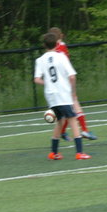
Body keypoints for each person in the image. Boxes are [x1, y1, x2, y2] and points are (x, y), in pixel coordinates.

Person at [34, 32, 92, 160]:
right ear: (57, 44)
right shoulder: (61, 57)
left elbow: (37, 79)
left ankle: (53, 152)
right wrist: (73, 92)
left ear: (44, 45)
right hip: (63, 93)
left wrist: (48, 83)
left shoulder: (40, 60)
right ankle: (79, 152)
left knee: (60, 121)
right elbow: (72, 76)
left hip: (50, 95)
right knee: (73, 120)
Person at [49, 27, 97, 141]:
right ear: (61, 36)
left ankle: (63, 132)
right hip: (64, 80)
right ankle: (84, 130)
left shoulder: (49, 52)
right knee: (74, 104)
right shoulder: (62, 47)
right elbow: (66, 65)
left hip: (54, 85)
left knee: (67, 109)